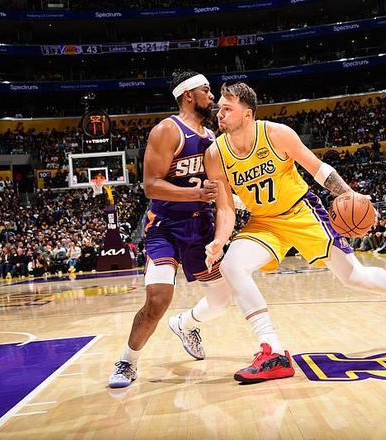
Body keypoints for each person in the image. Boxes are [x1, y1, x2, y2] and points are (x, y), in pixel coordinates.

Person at [204, 82, 386, 384]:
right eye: (220, 108)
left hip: (301, 211)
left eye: (227, 109)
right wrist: (219, 240)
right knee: (231, 265)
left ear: (247, 114)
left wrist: (349, 194)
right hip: (263, 222)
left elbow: (318, 169)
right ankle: (273, 352)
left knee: (353, 277)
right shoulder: (215, 154)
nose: (220, 114)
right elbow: (225, 207)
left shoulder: (276, 134)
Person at [108, 71, 234, 388]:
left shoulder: (211, 137)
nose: (212, 97)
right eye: (206, 90)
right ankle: (127, 361)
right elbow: (151, 186)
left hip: (201, 227)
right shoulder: (167, 130)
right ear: (188, 95)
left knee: (222, 299)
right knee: (158, 300)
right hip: (166, 228)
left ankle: (185, 324)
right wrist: (196, 194)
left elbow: (218, 186)